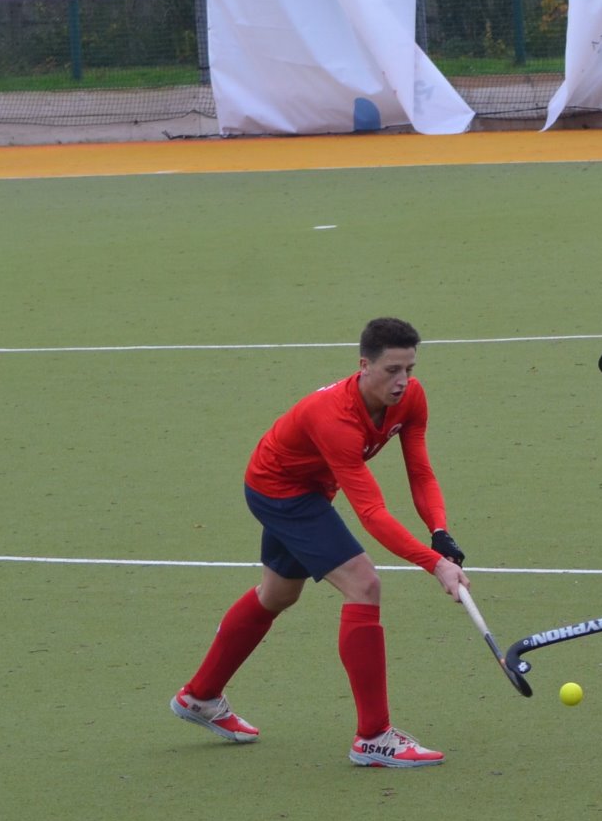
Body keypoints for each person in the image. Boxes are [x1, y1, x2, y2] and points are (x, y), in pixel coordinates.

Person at [170, 317, 470, 768]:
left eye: (409, 368)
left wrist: (440, 533)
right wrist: (435, 565)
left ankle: (199, 696)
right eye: (391, 370)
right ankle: (373, 737)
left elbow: (421, 472)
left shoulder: (411, 398)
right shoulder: (333, 418)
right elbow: (371, 512)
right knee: (364, 585)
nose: (402, 381)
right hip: (281, 490)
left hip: (312, 487)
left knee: (277, 593)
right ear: (363, 366)